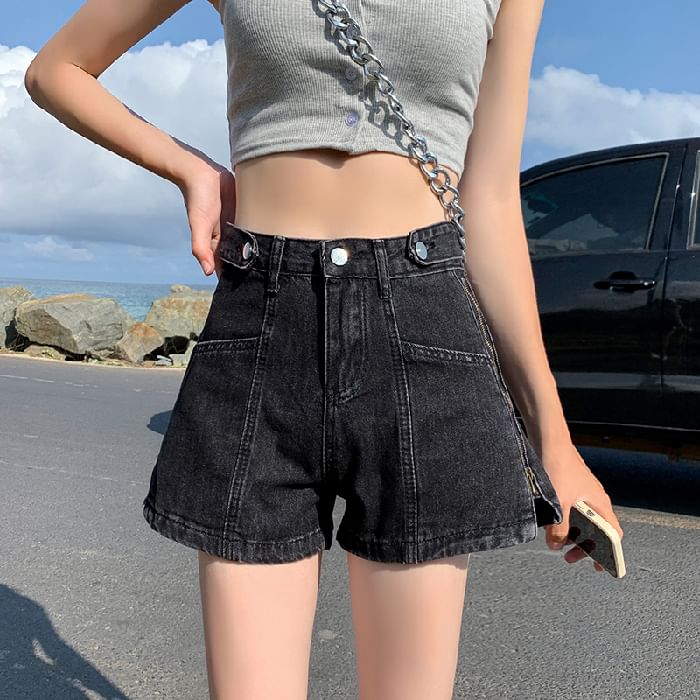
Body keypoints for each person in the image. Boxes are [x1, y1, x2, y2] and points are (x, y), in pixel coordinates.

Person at [24, 1, 624, 698]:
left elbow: (487, 201)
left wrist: (556, 443)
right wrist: (191, 169)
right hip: (261, 319)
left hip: (425, 326)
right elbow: (57, 70)